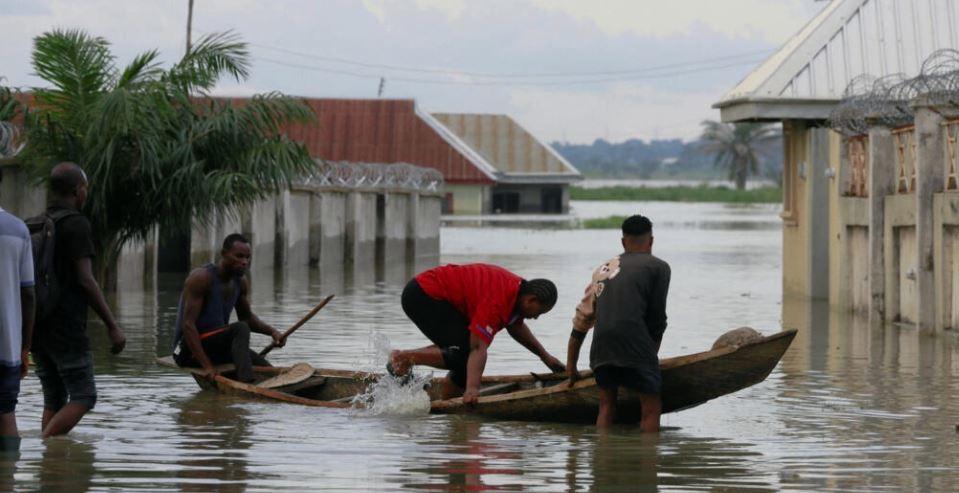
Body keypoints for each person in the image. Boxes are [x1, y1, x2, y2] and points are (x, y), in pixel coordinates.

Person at [31, 162, 127, 438]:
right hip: (67, 326)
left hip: (38, 324)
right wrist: (112, 325)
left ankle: (50, 465)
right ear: (77, 190)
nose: (86, 193)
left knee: (54, 398)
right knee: (85, 396)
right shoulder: (76, 224)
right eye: (85, 188)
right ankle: (47, 444)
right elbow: (86, 279)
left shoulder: (37, 222)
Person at [389, 263, 565, 404]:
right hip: (423, 294)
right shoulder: (498, 300)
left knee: (466, 360)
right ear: (530, 299)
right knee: (465, 355)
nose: (535, 317)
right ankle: (404, 358)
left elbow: (516, 328)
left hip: (438, 298)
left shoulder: (517, 295)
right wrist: (473, 389)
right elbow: (478, 347)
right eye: (538, 312)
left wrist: (546, 357)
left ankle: (449, 404)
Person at [564, 215, 670, 431]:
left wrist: (571, 366)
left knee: (606, 406)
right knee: (650, 407)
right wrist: (651, 356)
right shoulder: (658, 267)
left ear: (623, 242)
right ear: (651, 241)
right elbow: (657, 319)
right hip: (636, 346)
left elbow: (582, 321)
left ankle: (603, 456)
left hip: (601, 350)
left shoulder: (602, 270)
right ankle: (650, 460)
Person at [173, 233, 284, 383]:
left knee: (271, 373)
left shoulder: (240, 282)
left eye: (247, 257)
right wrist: (208, 368)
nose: (244, 262)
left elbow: (247, 318)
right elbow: (188, 326)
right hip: (188, 351)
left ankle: (258, 382)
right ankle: (247, 382)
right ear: (224, 254)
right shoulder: (201, 278)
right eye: (239, 256)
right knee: (240, 328)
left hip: (215, 348)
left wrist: (273, 332)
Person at [0, 203, 35, 450]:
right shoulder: (18, 229)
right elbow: (29, 293)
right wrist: (25, 348)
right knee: (6, 413)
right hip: (8, 348)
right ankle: (8, 480)